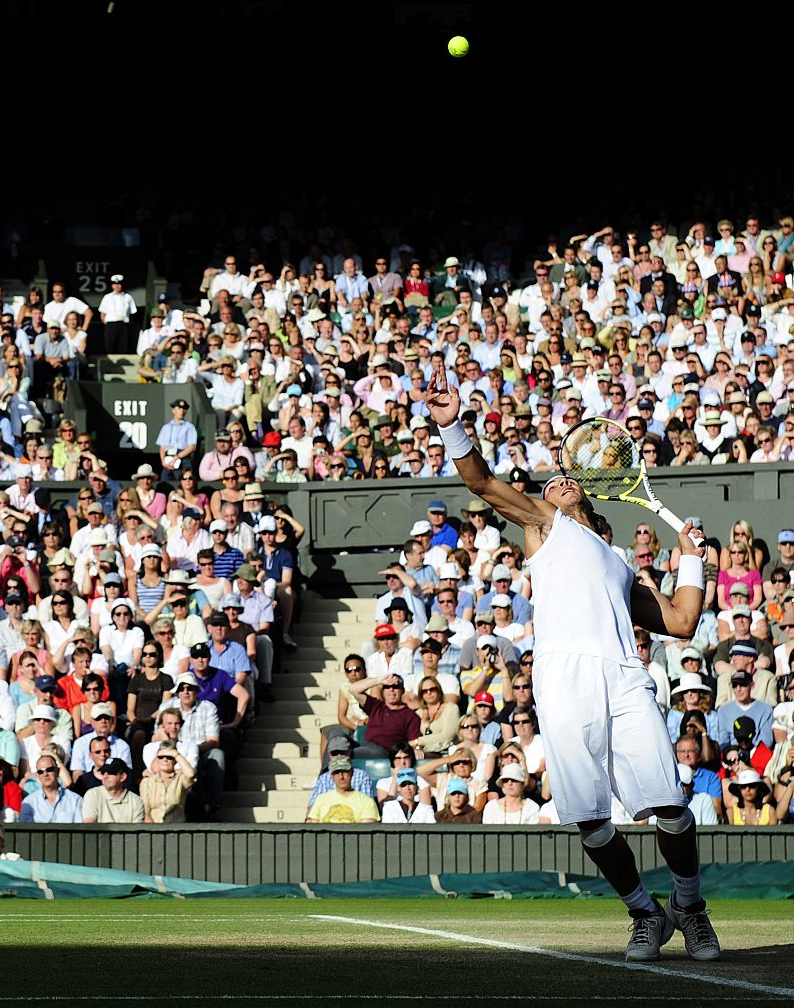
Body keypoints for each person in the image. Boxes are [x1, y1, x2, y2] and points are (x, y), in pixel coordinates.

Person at [430, 364, 719, 961]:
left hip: (623, 676)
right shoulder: (545, 525)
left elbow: (682, 622)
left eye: (567, 479)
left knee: (669, 804)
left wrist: (692, 559)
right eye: (552, 478)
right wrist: (453, 427)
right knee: (588, 819)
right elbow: (482, 484)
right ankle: (646, 914)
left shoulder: (618, 564)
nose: (558, 478)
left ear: (594, 503)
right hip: (561, 682)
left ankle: (689, 905)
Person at [304, 756, 378, 823]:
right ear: (332, 776)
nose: (341, 777)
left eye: (345, 772)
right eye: (337, 773)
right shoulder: (321, 799)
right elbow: (312, 827)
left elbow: (365, 832)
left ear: (352, 773)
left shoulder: (367, 802)